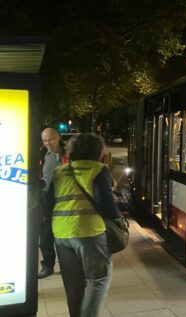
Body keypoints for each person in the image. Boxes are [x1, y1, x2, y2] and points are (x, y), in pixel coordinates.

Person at [46, 133, 121, 317]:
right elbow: (107, 203)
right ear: (98, 151)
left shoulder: (60, 171)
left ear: (72, 151)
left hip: (61, 234)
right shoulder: (98, 169)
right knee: (99, 279)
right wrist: (118, 220)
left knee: (73, 284)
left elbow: (47, 202)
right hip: (89, 232)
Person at [38, 127, 68, 279]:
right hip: (46, 198)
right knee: (45, 232)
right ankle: (48, 265)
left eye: (50, 139)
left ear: (58, 138)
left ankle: (67, 265)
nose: (47, 143)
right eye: (44, 140)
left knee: (64, 233)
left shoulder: (70, 153)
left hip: (66, 197)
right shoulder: (42, 154)